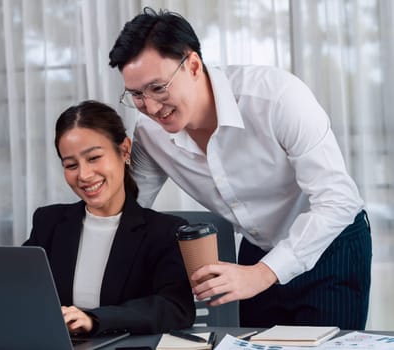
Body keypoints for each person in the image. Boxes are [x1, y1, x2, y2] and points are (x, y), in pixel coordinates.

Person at [108, 7, 372, 329]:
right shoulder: (150, 134)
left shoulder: (276, 98)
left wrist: (263, 274)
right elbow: (132, 215)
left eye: (158, 88)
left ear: (192, 65)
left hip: (331, 243)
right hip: (257, 248)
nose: (150, 107)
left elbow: (338, 200)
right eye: (136, 94)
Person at [23, 100, 195, 335]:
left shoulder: (165, 231)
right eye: (71, 165)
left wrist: (95, 320)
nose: (83, 175)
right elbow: (19, 290)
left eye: (94, 158)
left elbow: (175, 308)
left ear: (124, 150)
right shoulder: (48, 222)